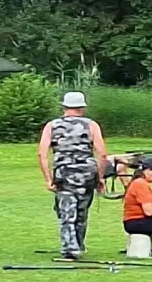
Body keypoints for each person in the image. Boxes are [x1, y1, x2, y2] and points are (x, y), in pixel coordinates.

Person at [37, 92, 109, 258]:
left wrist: (48, 179)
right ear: (82, 108)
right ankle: (79, 244)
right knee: (82, 212)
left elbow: (42, 154)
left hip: (65, 173)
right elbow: (102, 154)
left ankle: (70, 249)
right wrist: (100, 178)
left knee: (67, 212)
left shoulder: (52, 125)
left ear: (64, 106)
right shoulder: (91, 125)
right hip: (87, 173)